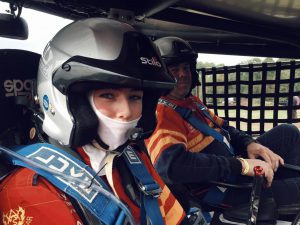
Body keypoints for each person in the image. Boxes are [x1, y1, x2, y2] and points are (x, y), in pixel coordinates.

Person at [0, 19, 189, 225]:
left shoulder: (134, 160)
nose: (126, 112)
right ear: (69, 100)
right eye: (108, 95)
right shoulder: (29, 192)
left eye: (135, 97)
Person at [145, 36, 300, 222]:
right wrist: (241, 166)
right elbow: (171, 166)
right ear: (162, 74)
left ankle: (278, 188)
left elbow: (225, 128)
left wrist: (251, 144)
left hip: (236, 169)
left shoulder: (191, 102)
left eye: (186, 68)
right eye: (174, 70)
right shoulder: (162, 114)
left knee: (287, 132)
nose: (183, 74)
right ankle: (282, 194)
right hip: (221, 190)